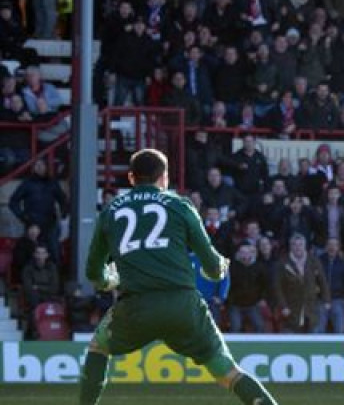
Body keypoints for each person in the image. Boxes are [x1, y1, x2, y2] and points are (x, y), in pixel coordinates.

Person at [79, 149, 278, 405]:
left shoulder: (110, 212)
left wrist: (110, 280)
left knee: (98, 348)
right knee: (228, 372)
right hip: (183, 307)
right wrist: (219, 268)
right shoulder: (180, 205)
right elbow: (212, 265)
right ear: (164, 178)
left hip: (135, 307)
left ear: (131, 178)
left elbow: (93, 273)